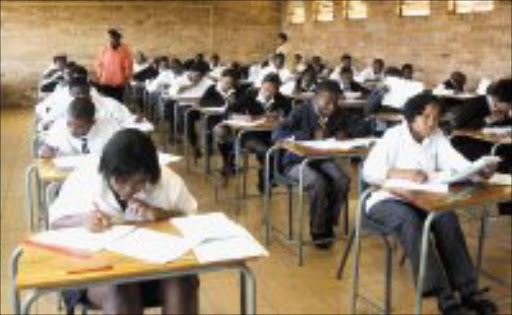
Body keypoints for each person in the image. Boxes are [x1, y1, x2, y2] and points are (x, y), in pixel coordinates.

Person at [363, 92, 498, 315]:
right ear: (410, 118)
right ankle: (445, 299)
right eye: (426, 117)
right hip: (387, 199)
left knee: (446, 217)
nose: (432, 123)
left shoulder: (436, 136)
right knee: (410, 222)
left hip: (424, 197)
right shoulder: (393, 136)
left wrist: (478, 171)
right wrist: (404, 173)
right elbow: (369, 172)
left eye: (436, 118)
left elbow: (457, 162)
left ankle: (469, 291)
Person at [49, 128, 198, 315]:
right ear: (107, 171)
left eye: (139, 182)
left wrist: (161, 214)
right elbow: (55, 221)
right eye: (120, 181)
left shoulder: (167, 180)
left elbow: (192, 218)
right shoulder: (85, 177)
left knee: (182, 281)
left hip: (154, 269)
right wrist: (84, 219)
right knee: (120, 287)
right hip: (94, 272)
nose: (128, 190)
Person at [272, 80, 351, 249]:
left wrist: (344, 133)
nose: (331, 106)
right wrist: (308, 135)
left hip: (322, 160)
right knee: (318, 183)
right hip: (294, 163)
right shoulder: (300, 111)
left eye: (336, 102)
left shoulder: (337, 113)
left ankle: (329, 219)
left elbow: (358, 125)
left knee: (342, 180)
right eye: (328, 102)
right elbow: (278, 133)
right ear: (315, 98)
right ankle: (318, 228)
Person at [213, 73, 291, 187]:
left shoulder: (281, 99)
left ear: (277, 89)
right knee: (266, 151)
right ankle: (266, 176)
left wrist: (281, 118)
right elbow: (228, 112)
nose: (269, 91)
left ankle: (268, 176)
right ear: (262, 85)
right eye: (267, 87)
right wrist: (242, 117)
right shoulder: (249, 96)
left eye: (274, 88)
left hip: (270, 134)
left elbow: (290, 117)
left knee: (280, 150)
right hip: (249, 135)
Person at [449, 78, 512, 215]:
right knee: (500, 161)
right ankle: (505, 206)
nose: (510, 109)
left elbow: (504, 124)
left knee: (508, 153)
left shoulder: (502, 110)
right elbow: (456, 126)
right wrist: (487, 120)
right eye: (509, 105)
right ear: (501, 101)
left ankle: (507, 201)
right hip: (464, 144)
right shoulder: (477, 103)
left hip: (488, 143)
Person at [186, 68, 243, 161]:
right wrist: (224, 102)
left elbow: (244, 104)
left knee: (234, 134)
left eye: (231, 83)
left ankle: (230, 159)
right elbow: (203, 102)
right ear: (221, 79)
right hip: (214, 118)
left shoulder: (237, 90)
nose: (228, 85)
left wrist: (234, 101)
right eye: (226, 82)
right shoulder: (213, 88)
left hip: (234, 119)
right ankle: (227, 160)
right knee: (221, 132)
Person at [39, 97, 122, 158]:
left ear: (93, 122)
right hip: (64, 176)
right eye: (69, 124)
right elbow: (47, 147)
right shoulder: (59, 127)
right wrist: (46, 150)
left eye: (80, 127)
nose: (73, 130)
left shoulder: (111, 129)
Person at [95, 28, 133, 102]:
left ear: (119, 39)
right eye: (110, 39)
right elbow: (98, 64)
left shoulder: (125, 50)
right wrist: (100, 75)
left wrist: (127, 79)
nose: (112, 41)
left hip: (119, 83)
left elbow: (128, 66)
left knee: (118, 102)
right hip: (105, 82)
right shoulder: (104, 49)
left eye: (115, 39)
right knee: (106, 102)